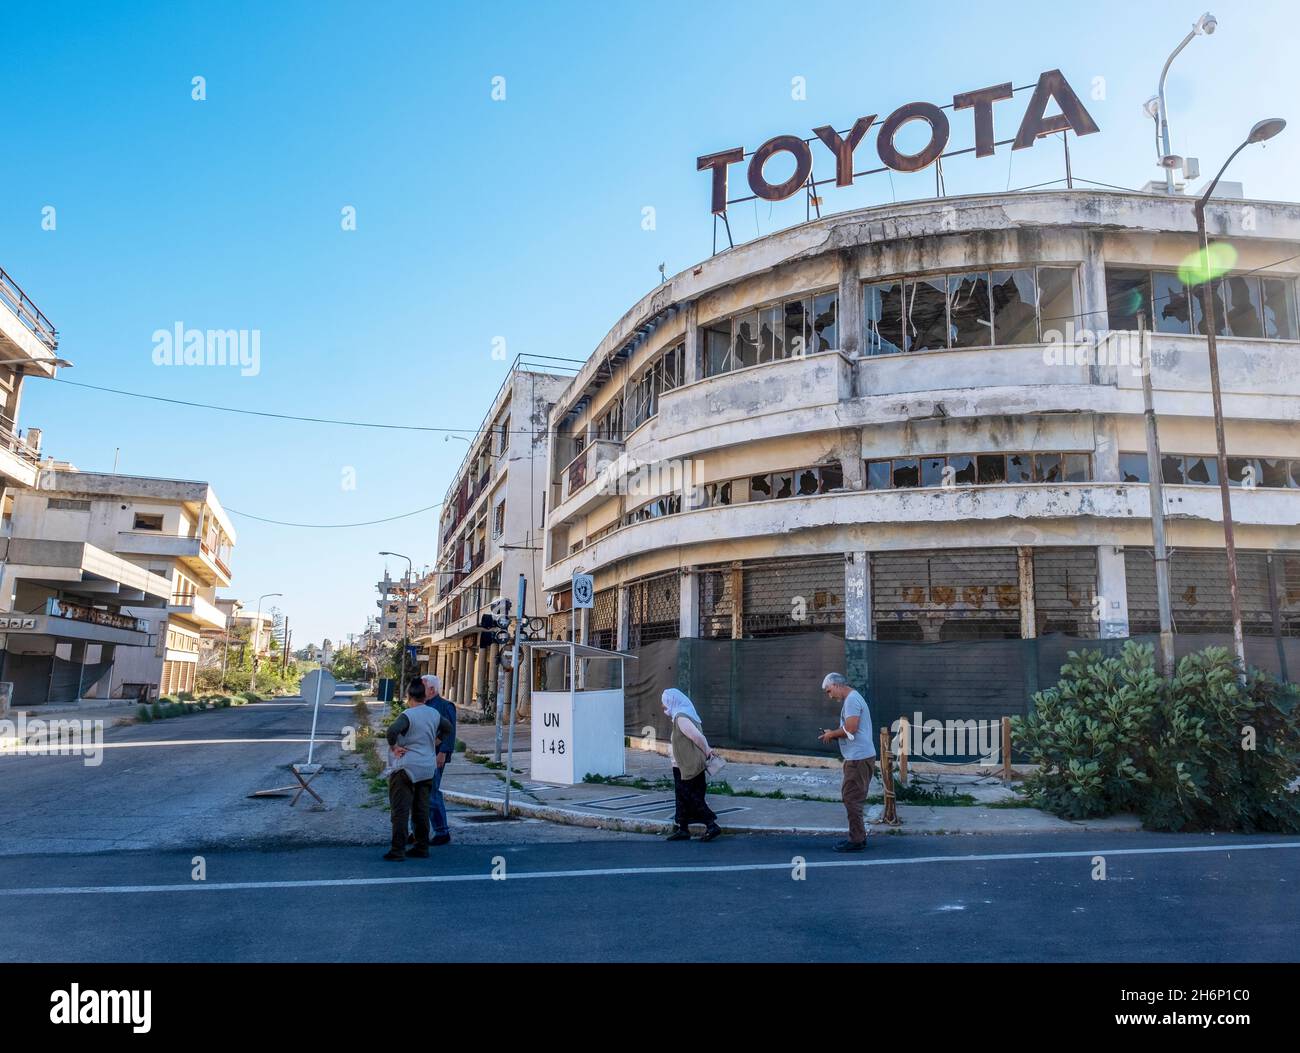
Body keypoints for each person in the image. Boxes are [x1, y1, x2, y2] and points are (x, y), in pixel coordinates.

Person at [383, 677, 450, 862]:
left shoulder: (408, 715)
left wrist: (394, 747)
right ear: (425, 695)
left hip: (406, 767)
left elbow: (391, 731)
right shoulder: (434, 714)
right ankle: (422, 847)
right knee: (421, 810)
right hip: (427, 768)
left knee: (400, 810)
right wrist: (437, 741)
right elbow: (448, 728)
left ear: (409, 695)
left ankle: (397, 850)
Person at [819, 672, 876, 853]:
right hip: (859, 756)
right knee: (852, 797)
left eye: (829, 691)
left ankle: (857, 839)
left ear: (836, 685)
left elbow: (851, 728)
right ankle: (858, 837)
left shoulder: (851, 700)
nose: (830, 695)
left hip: (858, 758)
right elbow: (851, 732)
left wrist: (831, 734)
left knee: (851, 798)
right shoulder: (853, 698)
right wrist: (834, 733)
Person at [662, 688, 721, 843]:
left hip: (689, 766)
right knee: (682, 797)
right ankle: (683, 829)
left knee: (692, 797)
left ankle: (711, 825)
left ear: (673, 702)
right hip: (681, 765)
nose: (664, 708)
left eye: (666, 704)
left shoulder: (682, 717)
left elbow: (697, 737)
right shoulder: (681, 715)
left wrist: (708, 750)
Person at [416, 673, 456, 846]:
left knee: (432, 792)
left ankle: (442, 831)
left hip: (435, 755)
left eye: (422, 686)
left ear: (431, 689)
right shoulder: (421, 705)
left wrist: (443, 753)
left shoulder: (445, 706)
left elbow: (450, 731)